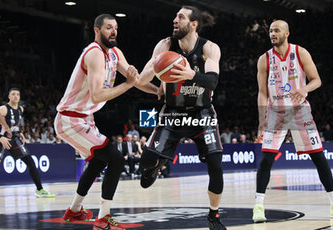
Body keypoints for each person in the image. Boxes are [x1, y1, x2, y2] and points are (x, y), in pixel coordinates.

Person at [54, 14, 158, 229]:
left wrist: (158, 92)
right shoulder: (94, 54)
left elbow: (135, 80)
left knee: (99, 161)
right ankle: (103, 218)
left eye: (116, 28)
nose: (113, 31)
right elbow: (97, 95)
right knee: (117, 159)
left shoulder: (114, 53)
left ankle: (74, 211)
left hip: (84, 118)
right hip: (70, 119)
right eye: (109, 27)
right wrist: (128, 85)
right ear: (97, 31)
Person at [138, 6, 226, 230]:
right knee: (145, 160)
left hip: (202, 113)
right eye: (175, 16)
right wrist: (156, 83)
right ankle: (155, 165)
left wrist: (191, 75)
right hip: (172, 112)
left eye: (181, 17)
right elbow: (141, 79)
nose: (175, 20)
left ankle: (213, 216)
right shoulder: (165, 45)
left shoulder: (209, 48)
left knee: (216, 166)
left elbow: (213, 82)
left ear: (193, 24)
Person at [253, 20, 333, 223]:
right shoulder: (264, 59)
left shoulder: (300, 52)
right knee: (266, 159)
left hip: (300, 112)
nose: (272, 34)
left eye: (277, 30)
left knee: (319, 158)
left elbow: (316, 80)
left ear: (287, 33)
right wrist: (262, 119)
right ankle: (258, 206)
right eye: (270, 31)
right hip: (275, 112)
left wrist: (304, 89)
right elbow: (261, 92)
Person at [0, 88, 55, 198]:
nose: (16, 96)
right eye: (13, 94)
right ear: (8, 97)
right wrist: (0, 137)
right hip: (0, 139)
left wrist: (19, 132)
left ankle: (39, 189)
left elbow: (13, 125)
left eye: (18, 94)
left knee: (30, 161)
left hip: (13, 138)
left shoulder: (21, 109)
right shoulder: (3, 109)